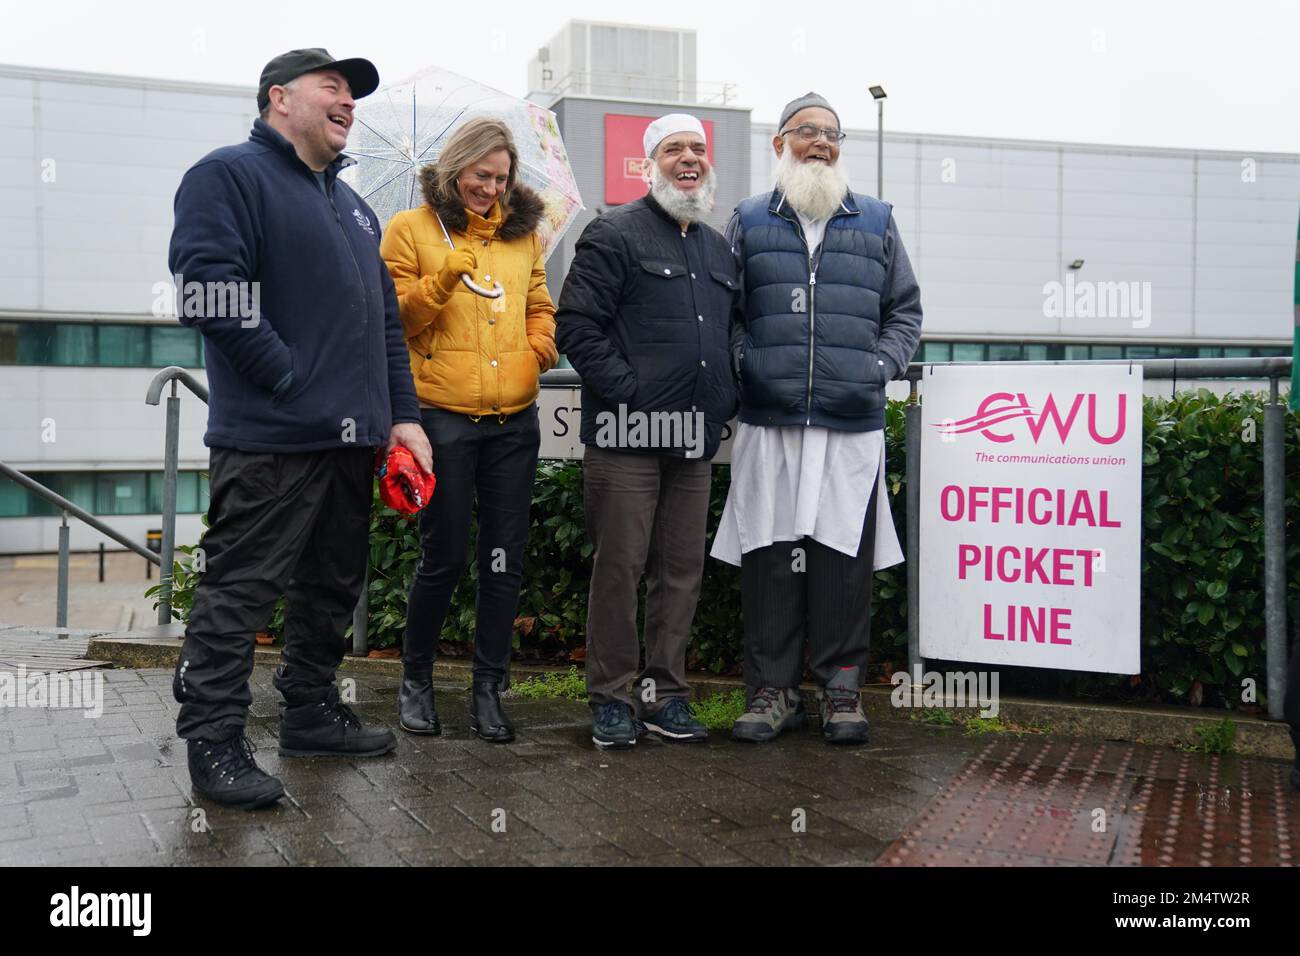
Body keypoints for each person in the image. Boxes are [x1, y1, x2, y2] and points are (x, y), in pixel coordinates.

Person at [168, 48, 431, 810]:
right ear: (279, 97)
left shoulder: (353, 208)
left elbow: (384, 327)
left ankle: (311, 712)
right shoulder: (227, 175)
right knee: (241, 591)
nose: (349, 102)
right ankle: (213, 741)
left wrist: (402, 420)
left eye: (354, 95)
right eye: (335, 88)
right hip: (272, 437)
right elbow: (209, 291)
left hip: (353, 441)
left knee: (331, 586)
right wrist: (288, 378)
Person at [712, 92, 922, 744]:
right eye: (807, 132)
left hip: (848, 424)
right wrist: (750, 366)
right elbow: (726, 316)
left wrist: (878, 367)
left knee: (841, 563)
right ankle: (772, 695)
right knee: (771, 560)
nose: (821, 143)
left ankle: (840, 694)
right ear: (780, 144)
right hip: (769, 422)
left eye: (832, 134)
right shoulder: (747, 220)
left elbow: (906, 313)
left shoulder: (876, 220)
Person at [556, 114, 741, 749]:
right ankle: (611, 697)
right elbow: (576, 327)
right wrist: (631, 395)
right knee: (621, 568)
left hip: (693, 441)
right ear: (648, 164)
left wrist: (723, 403)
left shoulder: (719, 250)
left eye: (697, 148)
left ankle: (665, 695)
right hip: (626, 437)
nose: (687, 158)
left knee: (681, 571)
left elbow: (730, 338)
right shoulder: (613, 233)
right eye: (672, 149)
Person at [381, 118, 558, 743]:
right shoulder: (410, 230)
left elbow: (541, 306)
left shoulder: (524, 238)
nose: (490, 188)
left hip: (515, 421)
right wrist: (446, 276)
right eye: (480, 175)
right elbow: (393, 319)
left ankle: (488, 688)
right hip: (442, 419)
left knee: (504, 560)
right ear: (454, 170)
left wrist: (537, 350)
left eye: (501, 177)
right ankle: (417, 681)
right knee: (445, 554)